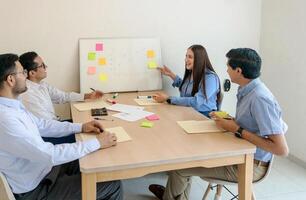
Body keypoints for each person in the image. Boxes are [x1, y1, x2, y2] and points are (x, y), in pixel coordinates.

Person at [149, 48, 289, 200]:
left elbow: (281, 149)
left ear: (239, 70)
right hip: (238, 151)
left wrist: (238, 129)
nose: (227, 70)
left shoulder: (260, 98)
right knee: (183, 161)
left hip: (249, 164)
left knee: (180, 169)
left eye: (229, 66)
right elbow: (253, 124)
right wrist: (231, 120)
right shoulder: (247, 90)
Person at [0, 53, 122, 200]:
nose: (25, 76)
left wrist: (81, 127)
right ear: (11, 79)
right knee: (112, 184)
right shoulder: (5, 119)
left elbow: (42, 124)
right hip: (36, 188)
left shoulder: (13, 105)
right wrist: (97, 142)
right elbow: (49, 154)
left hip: (45, 170)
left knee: (94, 161)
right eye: (22, 72)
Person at [19, 51, 103, 144]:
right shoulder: (28, 95)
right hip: (47, 137)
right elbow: (47, 127)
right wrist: (82, 127)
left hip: (55, 126)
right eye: (42, 65)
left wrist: (87, 96)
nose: (46, 67)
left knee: (90, 125)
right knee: (93, 137)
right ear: (32, 73)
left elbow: (63, 96)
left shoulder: (41, 85)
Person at [153, 45, 221, 117]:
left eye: (190, 57)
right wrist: (171, 75)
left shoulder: (211, 78)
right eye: (186, 56)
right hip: (187, 111)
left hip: (203, 116)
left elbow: (196, 102)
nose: (186, 60)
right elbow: (186, 87)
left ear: (199, 59)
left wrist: (168, 98)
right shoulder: (192, 73)